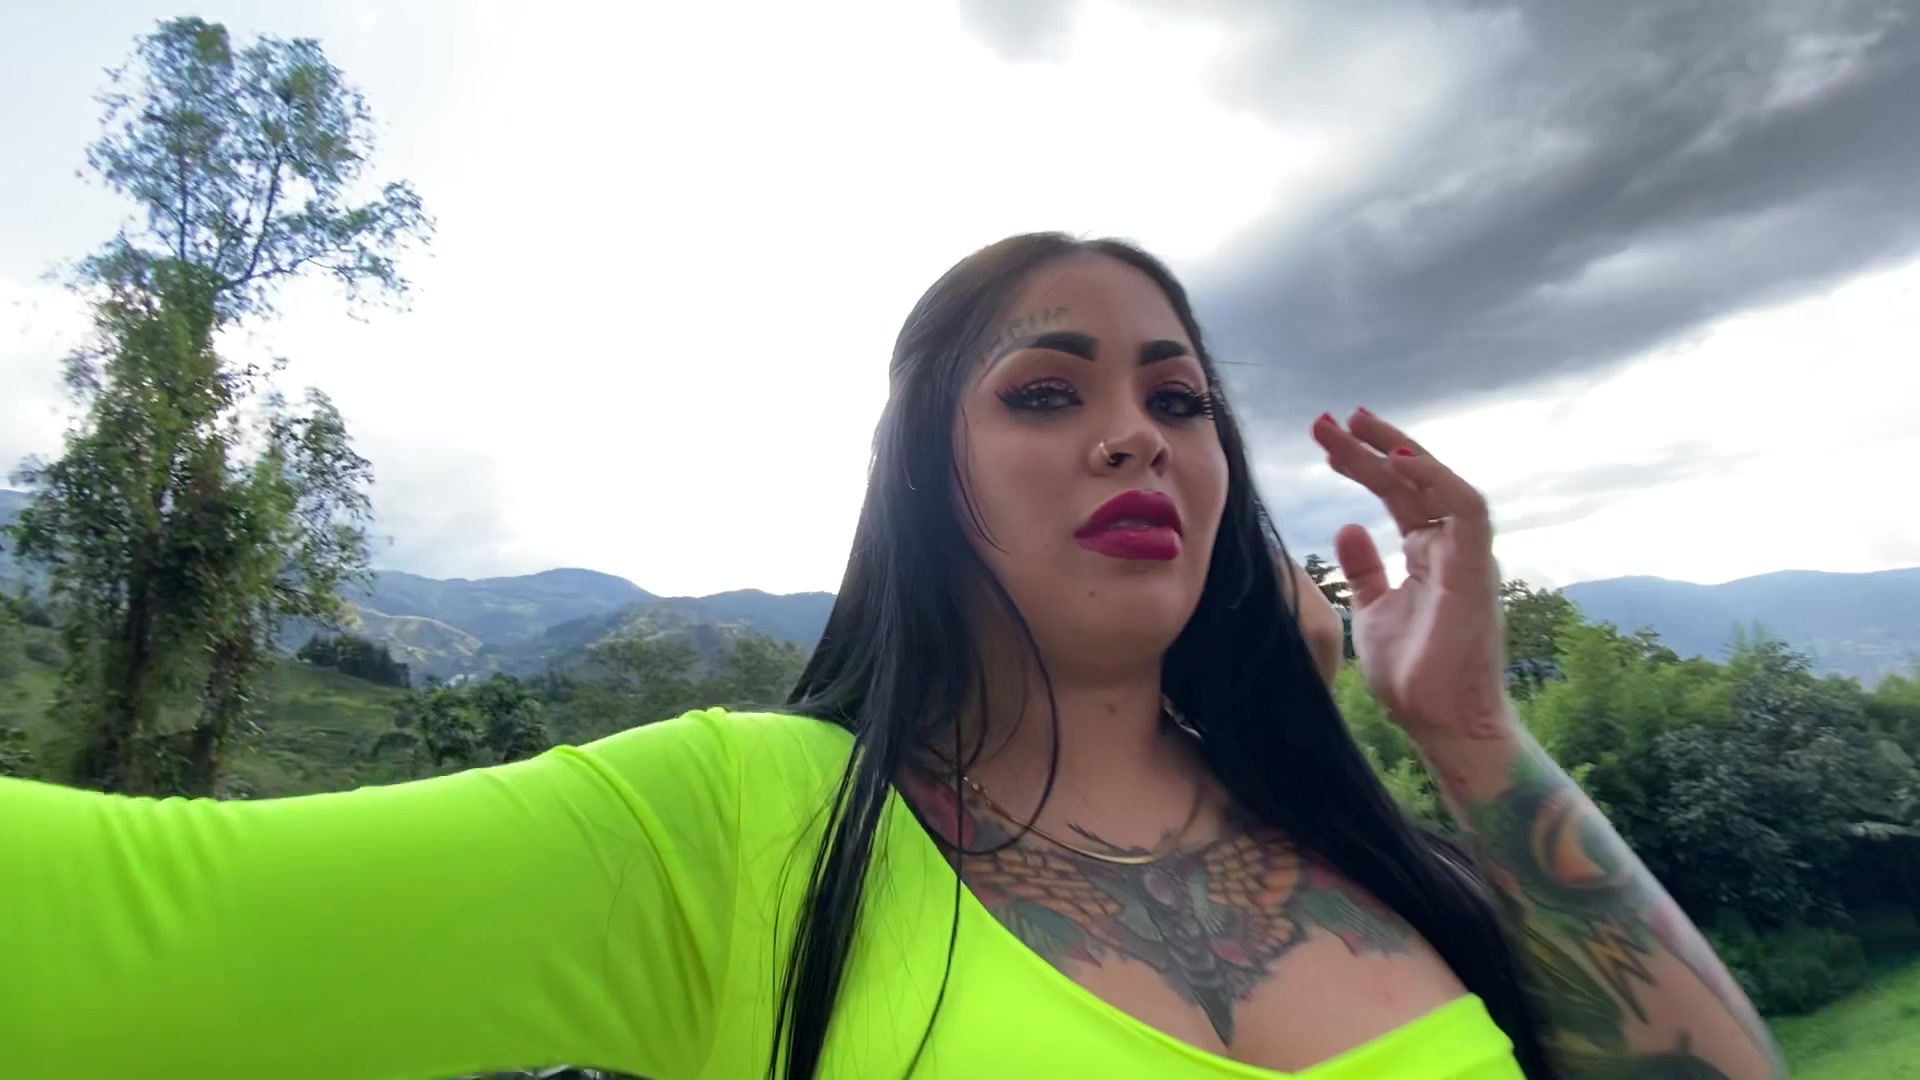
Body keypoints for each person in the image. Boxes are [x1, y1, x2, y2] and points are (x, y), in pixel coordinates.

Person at [1, 233, 1784, 1080]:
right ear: (924, 481)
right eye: (1045, 392)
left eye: (1179, 401)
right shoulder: (749, 827)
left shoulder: (1363, 852)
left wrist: (1468, 733)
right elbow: (134, 909)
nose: (1136, 433)